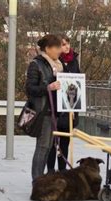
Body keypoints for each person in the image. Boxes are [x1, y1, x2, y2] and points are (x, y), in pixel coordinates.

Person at [26, 34, 63, 181]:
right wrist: (47, 87)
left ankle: (41, 178)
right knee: (42, 146)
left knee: (48, 147)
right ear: (47, 48)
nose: (60, 50)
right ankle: (37, 179)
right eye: (57, 47)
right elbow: (30, 88)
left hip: (55, 111)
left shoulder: (59, 65)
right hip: (43, 111)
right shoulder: (36, 65)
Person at [46, 34, 81, 173]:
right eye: (63, 45)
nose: (66, 47)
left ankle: (62, 169)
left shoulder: (74, 60)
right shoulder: (54, 61)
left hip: (69, 106)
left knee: (65, 141)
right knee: (53, 141)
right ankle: (50, 169)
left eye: (67, 44)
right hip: (56, 106)